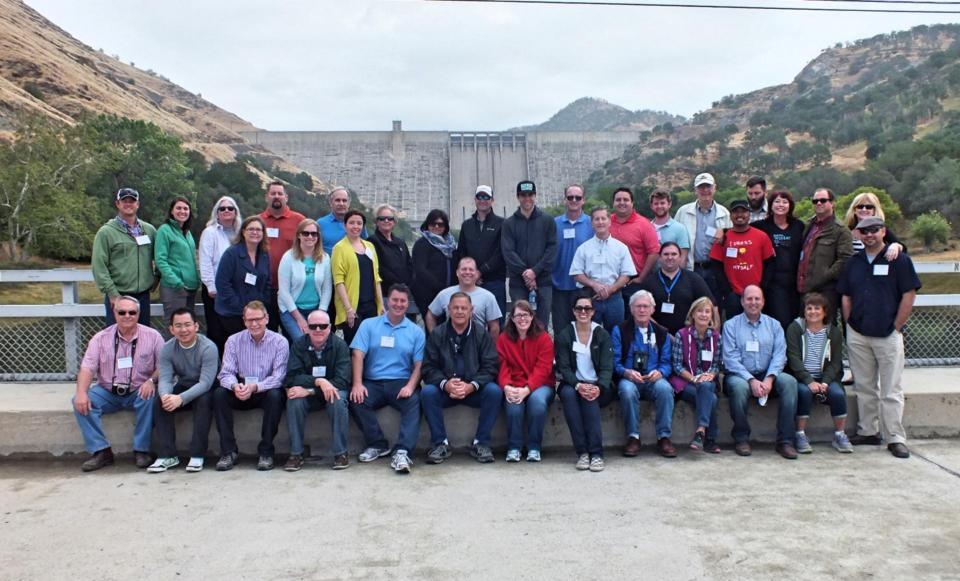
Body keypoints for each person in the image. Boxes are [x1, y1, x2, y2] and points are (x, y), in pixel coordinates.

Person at [837, 216, 921, 459]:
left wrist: (897, 325)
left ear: (884, 232)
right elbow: (845, 295)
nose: (869, 235)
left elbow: (909, 294)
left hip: (887, 334)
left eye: (874, 230)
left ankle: (895, 437)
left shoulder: (899, 260)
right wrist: (850, 322)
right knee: (864, 386)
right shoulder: (854, 263)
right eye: (864, 231)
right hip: (858, 333)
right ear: (859, 235)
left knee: (891, 388)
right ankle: (867, 431)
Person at [71, 296, 164, 471]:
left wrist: (152, 380)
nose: (127, 316)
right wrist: (81, 392)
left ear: (138, 314)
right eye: (122, 312)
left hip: (138, 389)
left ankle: (141, 450)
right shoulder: (100, 338)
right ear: (114, 313)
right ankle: (101, 451)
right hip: (108, 391)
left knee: (150, 397)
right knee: (79, 401)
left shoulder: (153, 337)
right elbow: (87, 368)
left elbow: (163, 365)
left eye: (132, 312)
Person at [349, 284, 425, 474]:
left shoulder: (416, 331)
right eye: (395, 300)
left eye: (403, 301)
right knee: (356, 399)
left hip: (401, 382)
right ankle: (377, 444)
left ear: (408, 304)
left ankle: (402, 451)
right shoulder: (369, 325)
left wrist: (410, 386)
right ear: (387, 301)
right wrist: (357, 384)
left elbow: (419, 365)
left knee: (414, 401)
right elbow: (357, 354)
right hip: (372, 382)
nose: (398, 304)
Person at [421, 292, 502, 464]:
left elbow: (491, 367)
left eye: (464, 308)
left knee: (494, 391)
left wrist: (472, 385)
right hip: (447, 390)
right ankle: (440, 443)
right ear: (448, 309)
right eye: (455, 308)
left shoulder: (481, 334)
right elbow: (428, 368)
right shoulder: (437, 334)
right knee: (428, 392)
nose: (459, 311)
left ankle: (481, 443)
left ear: (471, 310)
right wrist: (445, 384)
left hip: (473, 390)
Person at [722, 285, 799, 459]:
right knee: (739, 387)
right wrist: (751, 380)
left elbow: (780, 355)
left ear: (763, 302)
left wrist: (770, 379)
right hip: (740, 375)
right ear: (742, 302)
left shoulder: (775, 325)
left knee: (789, 383)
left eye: (757, 299)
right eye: (749, 299)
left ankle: (785, 441)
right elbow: (730, 359)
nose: (753, 302)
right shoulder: (730, 325)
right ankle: (741, 438)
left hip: (768, 374)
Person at [213, 300, 289, 471]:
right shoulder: (233, 340)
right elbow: (225, 373)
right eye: (250, 320)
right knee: (219, 394)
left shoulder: (280, 342)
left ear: (267, 318)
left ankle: (266, 452)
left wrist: (255, 387)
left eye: (258, 319)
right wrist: (234, 387)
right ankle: (228, 452)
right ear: (244, 320)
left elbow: (279, 377)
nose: (254, 324)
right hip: (240, 388)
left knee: (276, 395)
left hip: (264, 389)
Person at [149, 308, 219, 473]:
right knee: (160, 402)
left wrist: (180, 399)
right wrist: (166, 396)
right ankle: (168, 455)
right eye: (178, 326)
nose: (183, 330)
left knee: (204, 401)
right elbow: (165, 378)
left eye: (187, 325)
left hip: (207, 387)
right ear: (171, 329)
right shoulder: (167, 348)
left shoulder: (208, 347)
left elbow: (206, 383)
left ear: (196, 326)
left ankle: (197, 454)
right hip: (184, 384)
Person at [283, 309, 351, 472]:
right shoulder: (299, 345)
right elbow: (292, 377)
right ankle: (296, 454)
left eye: (322, 326)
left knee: (338, 400)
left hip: (331, 391)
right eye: (313, 326)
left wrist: (311, 390)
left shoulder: (340, 346)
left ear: (329, 327)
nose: (318, 330)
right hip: (310, 391)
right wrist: (319, 381)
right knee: (293, 399)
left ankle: (340, 453)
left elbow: (342, 381)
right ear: (306, 327)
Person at [611, 290, 676, 458]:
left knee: (665, 389)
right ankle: (633, 437)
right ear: (631, 309)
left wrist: (660, 372)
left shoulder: (662, 333)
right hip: (630, 378)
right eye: (638, 306)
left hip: (653, 378)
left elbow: (668, 363)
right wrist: (626, 372)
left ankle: (664, 437)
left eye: (645, 306)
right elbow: (614, 362)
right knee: (626, 390)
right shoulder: (619, 330)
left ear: (652, 309)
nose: (642, 310)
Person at [785, 293, 853, 454]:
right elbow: (793, 358)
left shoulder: (833, 333)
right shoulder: (795, 328)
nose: (813, 312)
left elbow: (836, 362)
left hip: (825, 379)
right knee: (803, 392)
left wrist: (825, 382)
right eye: (809, 308)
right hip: (803, 378)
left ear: (824, 312)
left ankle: (839, 435)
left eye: (817, 308)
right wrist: (809, 381)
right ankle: (800, 434)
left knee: (837, 393)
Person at [555, 294, 615, 471]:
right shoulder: (565, 335)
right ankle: (582, 453)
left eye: (587, 308)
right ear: (573, 311)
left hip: (598, 385)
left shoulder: (601, 335)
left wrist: (599, 387)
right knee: (568, 395)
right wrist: (578, 385)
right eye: (579, 308)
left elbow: (607, 367)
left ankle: (596, 454)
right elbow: (563, 368)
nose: (583, 311)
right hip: (573, 384)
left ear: (593, 312)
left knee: (590, 398)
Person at [497, 300, 555, 462]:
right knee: (513, 406)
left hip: (541, 385)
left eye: (525, 315)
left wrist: (527, 389)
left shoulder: (544, 338)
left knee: (537, 403)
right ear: (512, 319)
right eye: (518, 315)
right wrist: (507, 387)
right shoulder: (503, 339)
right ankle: (514, 447)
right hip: (513, 384)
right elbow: (502, 366)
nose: (522, 319)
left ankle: (534, 447)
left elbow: (543, 369)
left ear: (532, 316)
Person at [91, 188, 157, 327]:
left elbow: (160, 257)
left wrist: (155, 279)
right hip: (119, 295)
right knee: (118, 339)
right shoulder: (106, 232)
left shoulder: (149, 230)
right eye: (124, 201)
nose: (128, 204)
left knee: (143, 338)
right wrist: (112, 294)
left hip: (143, 296)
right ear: (117, 203)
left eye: (132, 201)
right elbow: (99, 266)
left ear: (138, 204)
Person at [569, 206, 636, 330]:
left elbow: (627, 274)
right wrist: (594, 285)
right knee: (588, 334)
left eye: (603, 218)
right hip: (590, 298)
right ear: (592, 223)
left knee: (616, 334)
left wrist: (611, 289)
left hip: (614, 298)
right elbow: (576, 273)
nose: (600, 222)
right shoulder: (583, 248)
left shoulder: (621, 248)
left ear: (609, 221)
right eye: (596, 219)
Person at [501, 180, 557, 328]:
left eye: (530, 195)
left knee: (542, 324)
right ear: (518, 197)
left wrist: (535, 271)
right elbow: (508, 252)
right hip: (518, 283)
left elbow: (551, 249)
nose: (527, 198)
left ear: (535, 196)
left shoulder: (548, 221)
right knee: (520, 322)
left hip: (543, 282)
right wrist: (526, 274)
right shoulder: (509, 224)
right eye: (523, 195)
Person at [670, 297, 722, 453]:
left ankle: (700, 431)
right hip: (686, 383)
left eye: (707, 312)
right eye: (700, 311)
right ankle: (709, 438)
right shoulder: (682, 335)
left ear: (712, 316)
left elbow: (717, 364)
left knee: (706, 387)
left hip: (707, 380)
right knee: (710, 398)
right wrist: (693, 379)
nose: (704, 315)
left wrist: (711, 375)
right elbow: (677, 366)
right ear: (692, 314)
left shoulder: (716, 337)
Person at [709, 199, 775, 320]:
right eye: (736, 212)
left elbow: (770, 263)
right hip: (733, 295)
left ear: (749, 214)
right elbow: (716, 265)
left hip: (756, 295)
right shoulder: (723, 238)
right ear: (730, 215)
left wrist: (762, 288)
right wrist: (727, 292)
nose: (740, 215)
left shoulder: (761, 236)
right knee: (733, 330)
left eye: (743, 211)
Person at [796, 188, 853, 322]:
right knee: (804, 332)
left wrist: (824, 276)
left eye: (823, 200)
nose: (819, 203)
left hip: (826, 292)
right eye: (815, 201)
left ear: (832, 203)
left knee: (825, 333)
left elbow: (845, 259)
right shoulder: (808, 225)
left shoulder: (841, 230)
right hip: (804, 290)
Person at [674, 173, 732, 300]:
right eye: (701, 187)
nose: (705, 190)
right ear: (695, 190)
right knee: (691, 303)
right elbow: (675, 241)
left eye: (708, 187)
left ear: (715, 188)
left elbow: (731, 241)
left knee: (715, 303)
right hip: (692, 267)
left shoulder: (724, 213)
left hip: (715, 269)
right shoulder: (683, 212)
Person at [214, 216, 271, 341]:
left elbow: (267, 282)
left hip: (256, 313)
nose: (254, 232)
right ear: (243, 232)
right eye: (251, 229)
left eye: (258, 229)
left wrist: (261, 304)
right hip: (232, 314)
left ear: (263, 233)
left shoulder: (264, 254)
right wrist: (240, 307)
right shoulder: (231, 253)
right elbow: (222, 283)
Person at [640, 242, 717, 335]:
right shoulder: (649, 282)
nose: (670, 257)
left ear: (680, 257)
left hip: (689, 337)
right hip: (658, 336)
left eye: (674, 254)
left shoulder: (693, 279)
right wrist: (662, 333)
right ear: (659, 258)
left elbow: (712, 305)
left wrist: (714, 333)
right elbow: (641, 311)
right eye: (666, 254)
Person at [753, 191, 805, 329]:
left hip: (795, 283)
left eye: (784, 202)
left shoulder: (799, 226)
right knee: (780, 320)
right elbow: (740, 230)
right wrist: (723, 231)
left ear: (790, 205)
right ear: (770, 205)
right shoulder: (761, 226)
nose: (780, 205)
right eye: (777, 201)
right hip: (773, 282)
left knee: (796, 320)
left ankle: (792, 350)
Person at [332, 210, 384, 344]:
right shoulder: (339, 248)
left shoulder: (370, 246)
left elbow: (376, 278)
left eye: (359, 223)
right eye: (352, 223)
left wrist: (381, 305)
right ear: (345, 225)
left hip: (371, 305)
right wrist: (349, 309)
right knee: (355, 346)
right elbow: (339, 282)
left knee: (372, 345)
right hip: (353, 308)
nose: (356, 226)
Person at [260, 181, 306, 332]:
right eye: (273, 193)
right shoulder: (258, 221)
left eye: (280, 193)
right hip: (266, 289)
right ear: (267, 197)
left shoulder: (299, 221)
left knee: (292, 333)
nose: (276, 196)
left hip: (293, 289)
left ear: (286, 197)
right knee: (269, 332)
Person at [199, 195, 242, 353]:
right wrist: (211, 286)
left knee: (236, 331)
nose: (226, 211)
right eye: (222, 208)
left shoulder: (240, 234)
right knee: (216, 332)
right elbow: (205, 261)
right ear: (216, 213)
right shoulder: (210, 233)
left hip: (235, 290)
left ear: (235, 212)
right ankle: (216, 371)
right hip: (215, 292)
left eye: (230, 208)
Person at [277, 219, 332, 342]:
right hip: (292, 309)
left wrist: (321, 314)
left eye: (314, 234)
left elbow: (327, 289)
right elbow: (283, 291)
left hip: (315, 308)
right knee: (302, 340)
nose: (310, 236)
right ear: (299, 235)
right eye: (306, 233)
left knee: (319, 341)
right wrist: (299, 319)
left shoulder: (325, 258)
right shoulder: (288, 257)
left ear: (318, 236)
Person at [457, 185, 507, 320]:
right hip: (470, 282)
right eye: (480, 197)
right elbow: (462, 252)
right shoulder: (467, 225)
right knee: (469, 319)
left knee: (496, 322)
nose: (483, 200)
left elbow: (501, 252)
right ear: (475, 199)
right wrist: (471, 274)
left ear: (492, 200)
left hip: (494, 281)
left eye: (486, 197)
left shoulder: (502, 223)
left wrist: (481, 272)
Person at [609, 187, 661, 310]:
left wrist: (641, 278)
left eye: (626, 200)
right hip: (610, 280)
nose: (622, 202)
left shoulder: (644, 224)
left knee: (633, 318)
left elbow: (654, 252)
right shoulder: (606, 222)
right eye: (618, 200)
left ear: (632, 203)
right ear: (613, 203)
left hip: (634, 281)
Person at [426, 257, 502, 338]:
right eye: (464, 269)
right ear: (457, 272)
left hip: (478, 346)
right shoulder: (444, 294)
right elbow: (430, 315)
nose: (467, 272)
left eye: (471, 269)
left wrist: (488, 348)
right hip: (450, 346)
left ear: (476, 274)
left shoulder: (488, 297)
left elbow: (494, 326)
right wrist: (435, 339)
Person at [551, 184, 593, 330]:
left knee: (583, 329)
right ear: (565, 200)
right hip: (559, 286)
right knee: (561, 330)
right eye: (570, 197)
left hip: (583, 287)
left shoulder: (591, 223)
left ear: (583, 200)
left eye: (578, 197)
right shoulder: (554, 223)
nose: (574, 200)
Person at [154, 196, 200, 328]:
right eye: (178, 208)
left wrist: (196, 281)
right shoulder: (164, 230)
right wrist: (177, 283)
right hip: (174, 288)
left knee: (188, 327)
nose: (182, 211)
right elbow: (160, 260)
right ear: (172, 211)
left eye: (186, 208)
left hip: (190, 289)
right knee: (175, 327)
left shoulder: (187, 232)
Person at [369, 203, 414, 318]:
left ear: (394, 222)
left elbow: (409, 266)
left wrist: (406, 286)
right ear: (376, 222)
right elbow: (377, 269)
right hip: (384, 296)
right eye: (382, 218)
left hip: (403, 295)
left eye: (390, 218)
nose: (386, 221)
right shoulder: (372, 242)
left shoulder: (400, 243)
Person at [412, 209, 457, 318]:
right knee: (431, 325)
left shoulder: (450, 244)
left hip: (447, 294)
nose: (436, 226)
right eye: (433, 223)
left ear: (445, 226)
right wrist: (440, 287)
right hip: (427, 294)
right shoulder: (421, 244)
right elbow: (420, 269)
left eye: (440, 224)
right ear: (427, 224)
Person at [844, 191, 907, 257]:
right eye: (860, 206)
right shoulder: (846, 230)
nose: (864, 209)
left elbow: (903, 249)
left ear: (874, 210)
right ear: (854, 210)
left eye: (869, 207)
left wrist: (895, 246)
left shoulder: (880, 230)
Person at [318, 187, 368, 257]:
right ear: (330, 202)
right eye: (337, 200)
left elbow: (366, 246)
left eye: (344, 201)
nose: (341, 204)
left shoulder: (358, 224)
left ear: (349, 203)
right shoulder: (320, 224)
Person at [649, 190, 690, 265]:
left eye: (662, 203)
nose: (659, 206)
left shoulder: (680, 228)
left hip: (672, 275)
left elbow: (683, 257)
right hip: (650, 275)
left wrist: (677, 276)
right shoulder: (647, 228)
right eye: (656, 203)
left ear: (669, 204)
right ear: (651, 206)